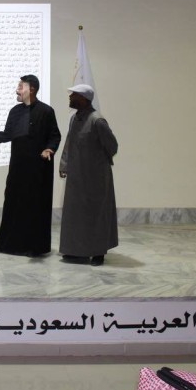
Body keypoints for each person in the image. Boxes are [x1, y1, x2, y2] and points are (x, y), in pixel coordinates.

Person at [0, 74, 61, 257]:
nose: (17, 90)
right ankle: (5, 245)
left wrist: (49, 149)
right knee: (12, 203)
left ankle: (35, 248)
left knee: (35, 206)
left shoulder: (46, 111)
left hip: (38, 169)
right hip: (18, 167)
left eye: (20, 86)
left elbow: (55, 135)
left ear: (31, 89)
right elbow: (7, 135)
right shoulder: (15, 111)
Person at [58, 84, 119, 266]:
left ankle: (98, 252)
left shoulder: (97, 120)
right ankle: (77, 251)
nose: (70, 98)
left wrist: (96, 163)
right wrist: (64, 164)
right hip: (76, 176)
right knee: (76, 214)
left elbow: (112, 146)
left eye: (74, 95)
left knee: (96, 214)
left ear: (84, 99)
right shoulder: (74, 119)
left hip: (96, 178)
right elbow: (69, 143)